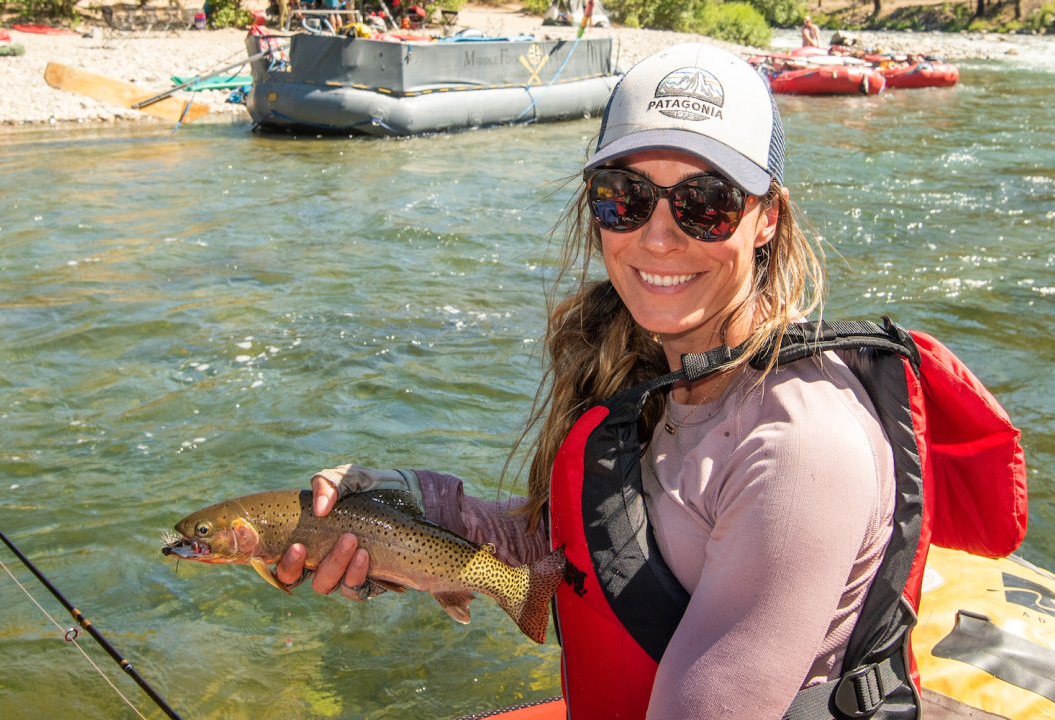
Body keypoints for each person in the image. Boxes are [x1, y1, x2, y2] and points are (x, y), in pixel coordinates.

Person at [273, 43, 906, 719]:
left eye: (706, 204)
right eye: (625, 197)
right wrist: (401, 512)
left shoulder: (800, 450)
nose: (658, 237)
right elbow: (574, 561)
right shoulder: (652, 378)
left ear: (767, 218)